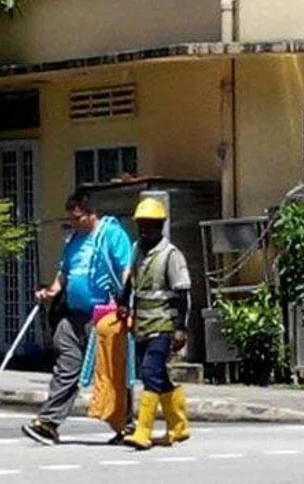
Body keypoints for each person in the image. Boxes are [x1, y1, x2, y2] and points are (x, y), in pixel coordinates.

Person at [21, 190, 133, 445]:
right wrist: (51, 291)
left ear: (92, 214)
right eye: (71, 218)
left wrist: (125, 301)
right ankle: (48, 423)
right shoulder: (74, 240)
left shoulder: (111, 234)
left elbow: (126, 269)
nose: (73, 223)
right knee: (66, 366)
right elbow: (64, 273)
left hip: (104, 314)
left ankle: (124, 424)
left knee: (111, 372)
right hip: (73, 314)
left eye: (78, 218)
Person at [119, 197, 192, 451]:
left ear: (160, 226)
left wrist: (181, 329)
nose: (145, 230)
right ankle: (178, 426)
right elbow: (130, 281)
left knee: (150, 372)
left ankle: (143, 431)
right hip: (142, 325)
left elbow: (183, 294)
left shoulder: (171, 255)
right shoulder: (137, 250)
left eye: (150, 225)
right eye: (142, 225)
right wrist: (123, 303)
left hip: (164, 325)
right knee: (156, 374)